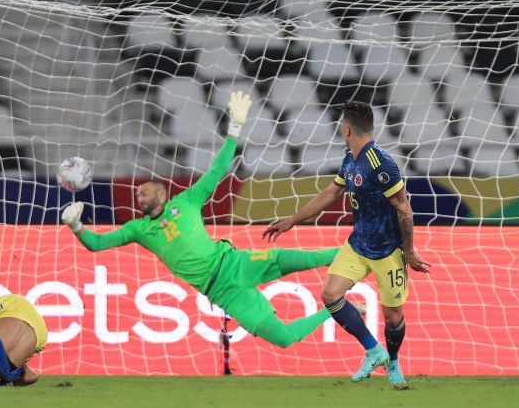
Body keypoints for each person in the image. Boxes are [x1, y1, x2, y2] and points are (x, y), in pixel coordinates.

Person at [61, 91, 342, 349]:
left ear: (162, 192)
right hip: (221, 291)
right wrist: (77, 226)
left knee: (313, 259)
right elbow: (97, 244)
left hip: (234, 263)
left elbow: (218, 169)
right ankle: (337, 309)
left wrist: (235, 128)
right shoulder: (138, 229)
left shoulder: (186, 201)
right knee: (284, 338)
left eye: (144, 191)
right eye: (137, 195)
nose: (139, 197)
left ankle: (366, 256)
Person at [262, 100, 432, 388]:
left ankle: (392, 361)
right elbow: (332, 191)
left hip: (388, 251)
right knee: (330, 294)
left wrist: (410, 250)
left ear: (348, 128)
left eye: (342, 124)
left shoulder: (381, 165)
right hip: (357, 245)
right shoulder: (350, 158)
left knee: (393, 316)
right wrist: (292, 220)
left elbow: (404, 208)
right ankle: (373, 350)